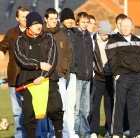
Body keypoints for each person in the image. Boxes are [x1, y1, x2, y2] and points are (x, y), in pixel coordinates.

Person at [14, 12, 63, 138]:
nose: (39, 26)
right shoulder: (20, 40)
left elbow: (52, 59)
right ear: (29, 26)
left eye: (40, 23)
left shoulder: (49, 38)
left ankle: (58, 134)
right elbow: (21, 59)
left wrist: (42, 76)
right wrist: (39, 65)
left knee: (55, 108)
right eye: (35, 24)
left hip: (47, 79)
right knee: (29, 113)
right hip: (28, 81)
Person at [105, 17, 140, 138]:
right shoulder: (113, 40)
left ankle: (137, 132)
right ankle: (117, 133)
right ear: (119, 26)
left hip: (137, 78)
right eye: (123, 26)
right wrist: (117, 74)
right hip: (122, 77)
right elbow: (112, 58)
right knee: (119, 106)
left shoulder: (138, 41)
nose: (125, 28)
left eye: (128, 26)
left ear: (132, 27)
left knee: (137, 106)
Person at [0, 6, 30, 138]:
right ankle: (19, 136)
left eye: (27, 16)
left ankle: (34, 135)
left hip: (31, 78)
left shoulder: (36, 32)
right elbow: (2, 46)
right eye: (22, 16)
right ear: (17, 18)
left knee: (32, 110)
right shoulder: (11, 33)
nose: (25, 19)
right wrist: (1, 52)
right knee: (18, 111)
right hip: (15, 77)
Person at [43, 8, 72, 138]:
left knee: (61, 107)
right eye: (51, 19)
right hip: (44, 78)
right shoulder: (41, 34)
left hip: (60, 77)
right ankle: (46, 134)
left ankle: (62, 134)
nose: (54, 21)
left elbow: (68, 55)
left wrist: (65, 73)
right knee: (45, 108)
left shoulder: (62, 35)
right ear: (46, 19)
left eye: (56, 18)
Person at [89, 21, 113, 138]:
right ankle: (93, 130)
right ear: (100, 31)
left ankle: (109, 129)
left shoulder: (112, 40)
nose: (106, 37)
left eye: (108, 34)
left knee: (109, 105)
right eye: (105, 34)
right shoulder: (92, 40)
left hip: (110, 78)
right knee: (95, 105)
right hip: (97, 77)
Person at [73, 12, 93, 138]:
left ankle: (85, 133)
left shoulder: (88, 37)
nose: (85, 24)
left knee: (85, 109)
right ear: (78, 22)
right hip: (78, 76)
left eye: (87, 22)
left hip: (88, 77)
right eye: (83, 21)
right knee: (76, 109)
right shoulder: (74, 35)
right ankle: (74, 132)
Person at [59, 8, 79, 138]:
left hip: (73, 72)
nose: (70, 21)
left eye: (72, 19)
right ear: (62, 20)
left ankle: (70, 131)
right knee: (62, 105)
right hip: (62, 73)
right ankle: (61, 131)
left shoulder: (73, 33)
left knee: (72, 103)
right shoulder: (59, 33)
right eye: (68, 19)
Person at [86, 14, 96, 123]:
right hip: (83, 75)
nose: (93, 26)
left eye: (94, 24)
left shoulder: (94, 38)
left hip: (93, 75)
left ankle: (88, 127)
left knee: (91, 103)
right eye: (90, 23)